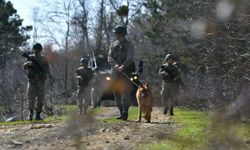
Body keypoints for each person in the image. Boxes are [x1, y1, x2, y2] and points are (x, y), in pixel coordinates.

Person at [108, 25, 135, 120]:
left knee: (125, 91)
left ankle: (125, 111)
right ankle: (120, 111)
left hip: (126, 71)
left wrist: (123, 66)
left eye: (117, 33)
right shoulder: (113, 44)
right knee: (116, 92)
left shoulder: (129, 45)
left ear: (121, 33)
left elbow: (130, 57)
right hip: (115, 72)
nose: (117, 35)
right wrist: (115, 65)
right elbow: (109, 57)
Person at [23, 43, 51, 121]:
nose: (36, 51)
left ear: (40, 50)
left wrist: (47, 75)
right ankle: (30, 113)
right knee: (30, 98)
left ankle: (38, 115)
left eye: (37, 49)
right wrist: (28, 63)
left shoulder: (44, 59)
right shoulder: (30, 57)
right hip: (31, 81)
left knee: (40, 99)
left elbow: (47, 69)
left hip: (41, 81)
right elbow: (24, 66)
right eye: (35, 49)